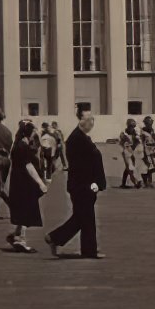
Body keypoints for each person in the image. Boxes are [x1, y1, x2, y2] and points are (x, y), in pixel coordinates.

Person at [47, 110, 108, 259]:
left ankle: (57, 239)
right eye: (89, 120)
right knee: (85, 217)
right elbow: (83, 165)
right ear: (81, 120)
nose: (91, 123)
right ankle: (58, 239)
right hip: (82, 185)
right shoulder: (77, 139)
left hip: (83, 184)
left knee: (82, 217)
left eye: (92, 120)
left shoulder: (80, 137)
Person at [4, 119, 46, 253]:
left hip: (18, 181)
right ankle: (20, 239)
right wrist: (40, 183)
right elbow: (28, 166)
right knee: (26, 209)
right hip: (24, 183)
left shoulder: (18, 145)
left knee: (23, 209)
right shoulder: (23, 147)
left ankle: (16, 235)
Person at [138, 116, 155, 189]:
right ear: (145, 124)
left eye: (151, 124)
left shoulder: (152, 131)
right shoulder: (143, 133)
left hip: (151, 152)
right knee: (146, 168)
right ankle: (145, 182)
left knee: (152, 168)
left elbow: (154, 141)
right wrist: (144, 155)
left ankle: (149, 182)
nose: (150, 125)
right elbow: (142, 144)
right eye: (148, 124)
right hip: (145, 152)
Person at [119, 119, 140, 189]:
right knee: (129, 167)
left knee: (128, 168)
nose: (132, 128)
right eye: (131, 127)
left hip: (131, 152)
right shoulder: (124, 134)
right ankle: (135, 182)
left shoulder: (135, 133)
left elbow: (138, 141)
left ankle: (123, 183)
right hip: (125, 152)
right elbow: (121, 143)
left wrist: (134, 144)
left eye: (133, 127)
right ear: (128, 126)